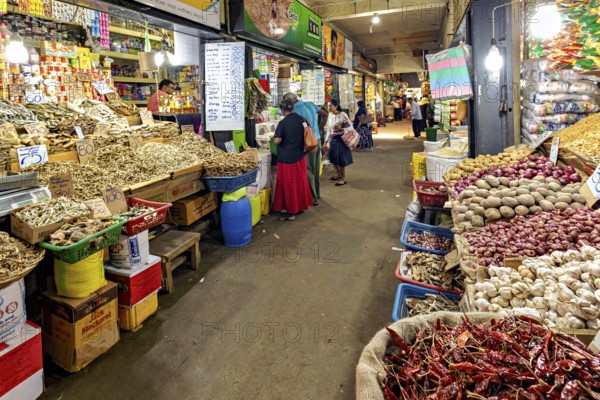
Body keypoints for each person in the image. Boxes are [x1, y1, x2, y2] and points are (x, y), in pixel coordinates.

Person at [271, 99, 313, 221]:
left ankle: (291, 213)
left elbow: (277, 140)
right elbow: (307, 132)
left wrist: (273, 139)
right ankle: (299, 208)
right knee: (299, 184)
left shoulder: (283, 123)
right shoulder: (302, 119)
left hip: (287, 159)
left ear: (283, 110)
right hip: (300, 157)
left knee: (289, 186)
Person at [283, 92, 328, 206]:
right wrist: (320, 128)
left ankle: (313, 198)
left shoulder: (294, 110)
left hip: (307, 143)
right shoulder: (310, 104)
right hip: (317, 140)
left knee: (308, 170)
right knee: (316, 168)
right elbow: (325, 114)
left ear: (290, 101)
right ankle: (317, 193)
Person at [324, 99, 353, 186]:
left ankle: (343, 178)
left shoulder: (342, 115)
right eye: (328, 106)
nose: (329, 107)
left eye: (331, 106)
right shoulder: (330, 116)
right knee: (333, 159)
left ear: (336, 106)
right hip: (333, 139)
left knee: (341, 161)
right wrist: (326, 142)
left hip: (342, 139)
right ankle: (339, 174)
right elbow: (329, 130)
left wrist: (340, 128)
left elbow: (350, 127)